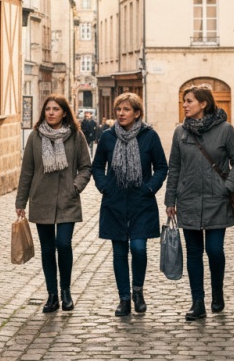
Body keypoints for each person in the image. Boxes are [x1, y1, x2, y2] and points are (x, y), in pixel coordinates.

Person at [164, 85, 234, 321]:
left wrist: (227, 187)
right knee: (194, 253)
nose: (185, 105)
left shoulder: (225, 130)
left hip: (216, 200)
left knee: (214, 250)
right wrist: (171, 198)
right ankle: (197, 302)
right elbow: (175, 167)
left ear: (204, 104)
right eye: (183, 101)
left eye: (189, 101)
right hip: (188, 200)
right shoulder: (180, 132)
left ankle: (217, 293)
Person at [92, 92, 167, 316]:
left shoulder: (149, 136)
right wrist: (105, 186)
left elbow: (161, 167)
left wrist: (149, 188)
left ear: (137, 113)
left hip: (141, 202)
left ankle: (138, 290)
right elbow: (97, 167)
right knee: (119, 252)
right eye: (118, 110)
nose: (121, 114)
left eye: (126, 110)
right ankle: (124, 298)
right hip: (114, 202)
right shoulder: (107, 137)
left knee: (138, 248)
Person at [15, 95, 92, 313]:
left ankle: (66, 291)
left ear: (64, 112)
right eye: (47, 109)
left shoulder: (76, 137)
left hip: (68, 200)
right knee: (48, 249)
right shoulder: (35, 137)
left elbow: (86, 167)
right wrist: (21, 201)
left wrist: (75, 187)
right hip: (41, 200)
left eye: (55, 109)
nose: (50, 112)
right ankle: (52, 295)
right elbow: (27, 171)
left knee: (64, 244)